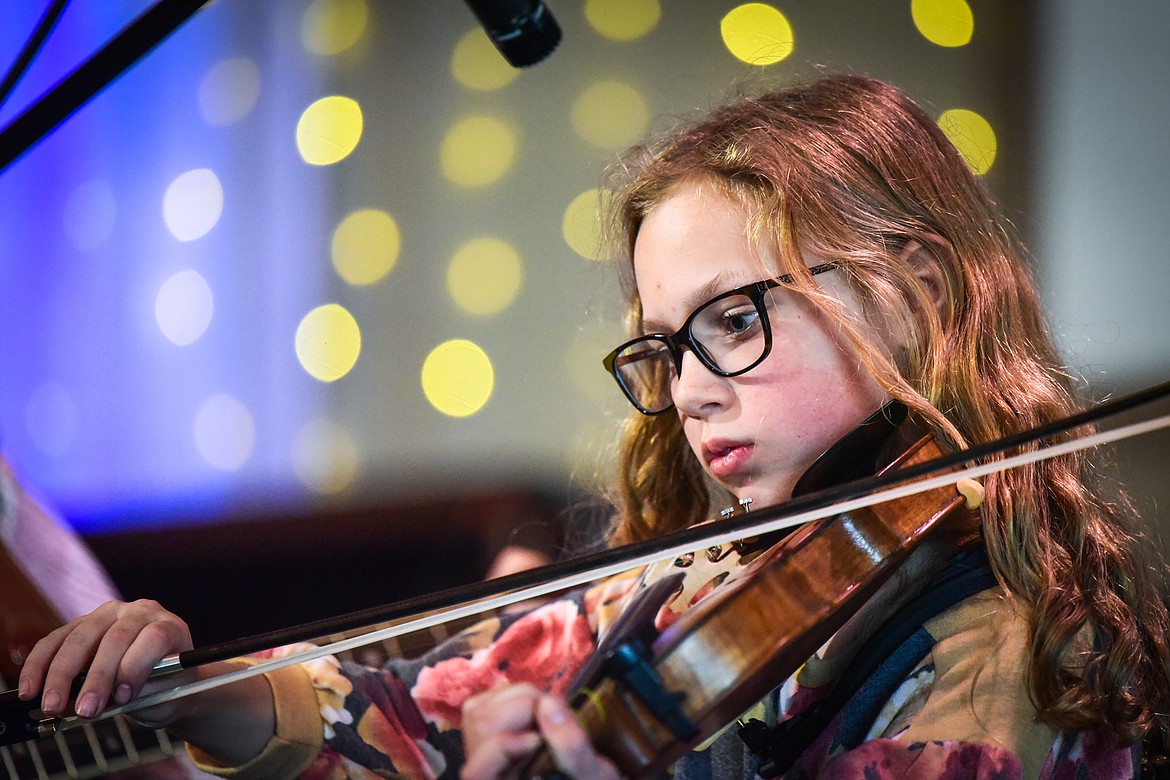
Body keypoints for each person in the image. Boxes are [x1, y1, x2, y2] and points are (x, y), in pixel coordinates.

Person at [16, 74, 1170, 779]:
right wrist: (193, 688)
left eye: (733, 320)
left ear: (913, 292)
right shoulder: (716, 585)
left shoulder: (994, 656)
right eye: (667, 349)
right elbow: (425, 708)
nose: (692, 390)